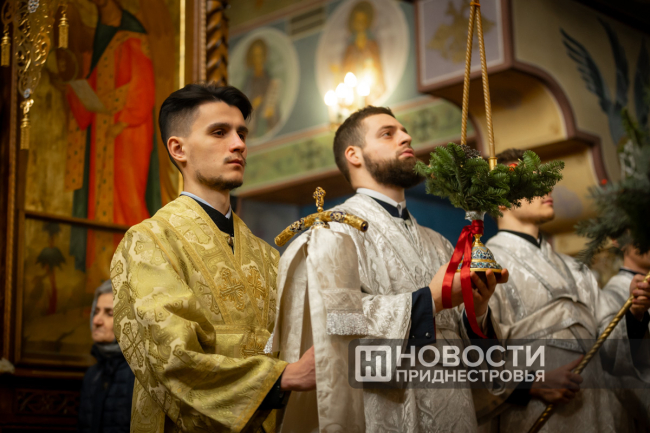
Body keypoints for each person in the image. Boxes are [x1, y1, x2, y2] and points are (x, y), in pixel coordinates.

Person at [270, 106, 509, 432]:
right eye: (388, 133)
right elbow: (337, 334)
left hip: (456, 411)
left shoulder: (438, 242)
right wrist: (432, 300)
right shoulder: (334, 234)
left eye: (404, 131)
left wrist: (476, 312)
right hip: (387, 415)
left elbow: (471, 353)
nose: (406, 137)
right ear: (354, 155)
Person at [110, 84, 315, 432]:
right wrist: (281, 378)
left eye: (241, 133)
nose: (239, 144)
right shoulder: (150, 240)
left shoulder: (267, 255)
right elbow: (172, 356)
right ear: (178, 149)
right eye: (219, 132)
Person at [483, 148, 650, 432]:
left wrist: (633, 314)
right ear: (500, 199)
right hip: (534, 414)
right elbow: (471, 352)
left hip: (598, 411)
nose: (547, 188)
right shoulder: (486, 264)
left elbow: (612, 351)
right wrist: (529, 384)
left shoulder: (577, 268)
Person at [65, 0, 157, 291]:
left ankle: (138, 277)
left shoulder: (133, 33)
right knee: (100, 201)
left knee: (127, 197)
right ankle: (102, 279)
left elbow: (143, 86)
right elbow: (93, 86)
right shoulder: (101, 36)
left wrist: (124, 119)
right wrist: (73, 88)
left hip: (127, 131)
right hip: (103, 133)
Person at [79, 280, 134, 433]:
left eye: (109, 313)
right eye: (96, 311)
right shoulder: (92, 374)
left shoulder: (139, 375)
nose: (96, 320)